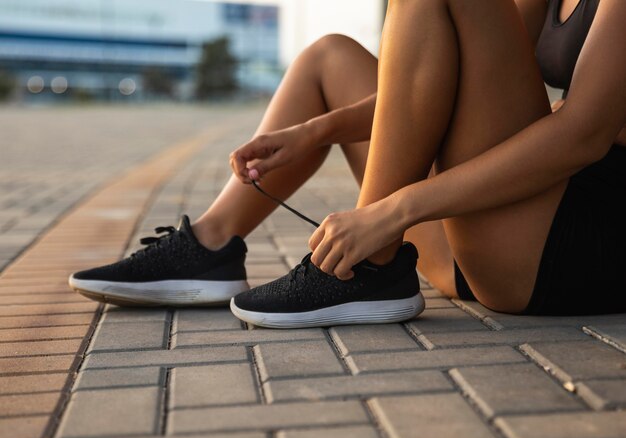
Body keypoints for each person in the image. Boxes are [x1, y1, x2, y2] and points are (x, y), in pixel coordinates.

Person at [70, 0, 626, 328]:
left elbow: (582, 133)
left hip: (574, 236)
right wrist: (318, 129)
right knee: (328, 59)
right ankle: (212, 246)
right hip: (497, 235)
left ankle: (369, 266)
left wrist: (390, 213)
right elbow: (443, 79)